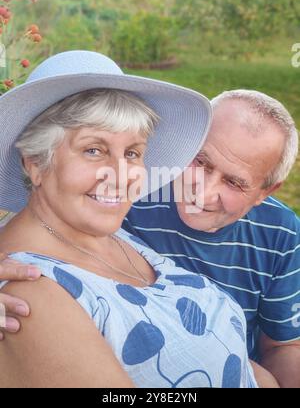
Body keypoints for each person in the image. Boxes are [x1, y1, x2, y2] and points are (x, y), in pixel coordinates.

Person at [0, 50, 258, 388]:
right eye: (94, 150)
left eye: (132, 153)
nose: (121, 176)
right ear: (34, 162)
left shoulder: (109, 233)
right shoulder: (27, 294)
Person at [121, 89, 300, 387]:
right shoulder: (130, 198)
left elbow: (283, 345)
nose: (201, 193)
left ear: (265, 192)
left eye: (234, 182)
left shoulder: (281, 232)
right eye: (201, 162)